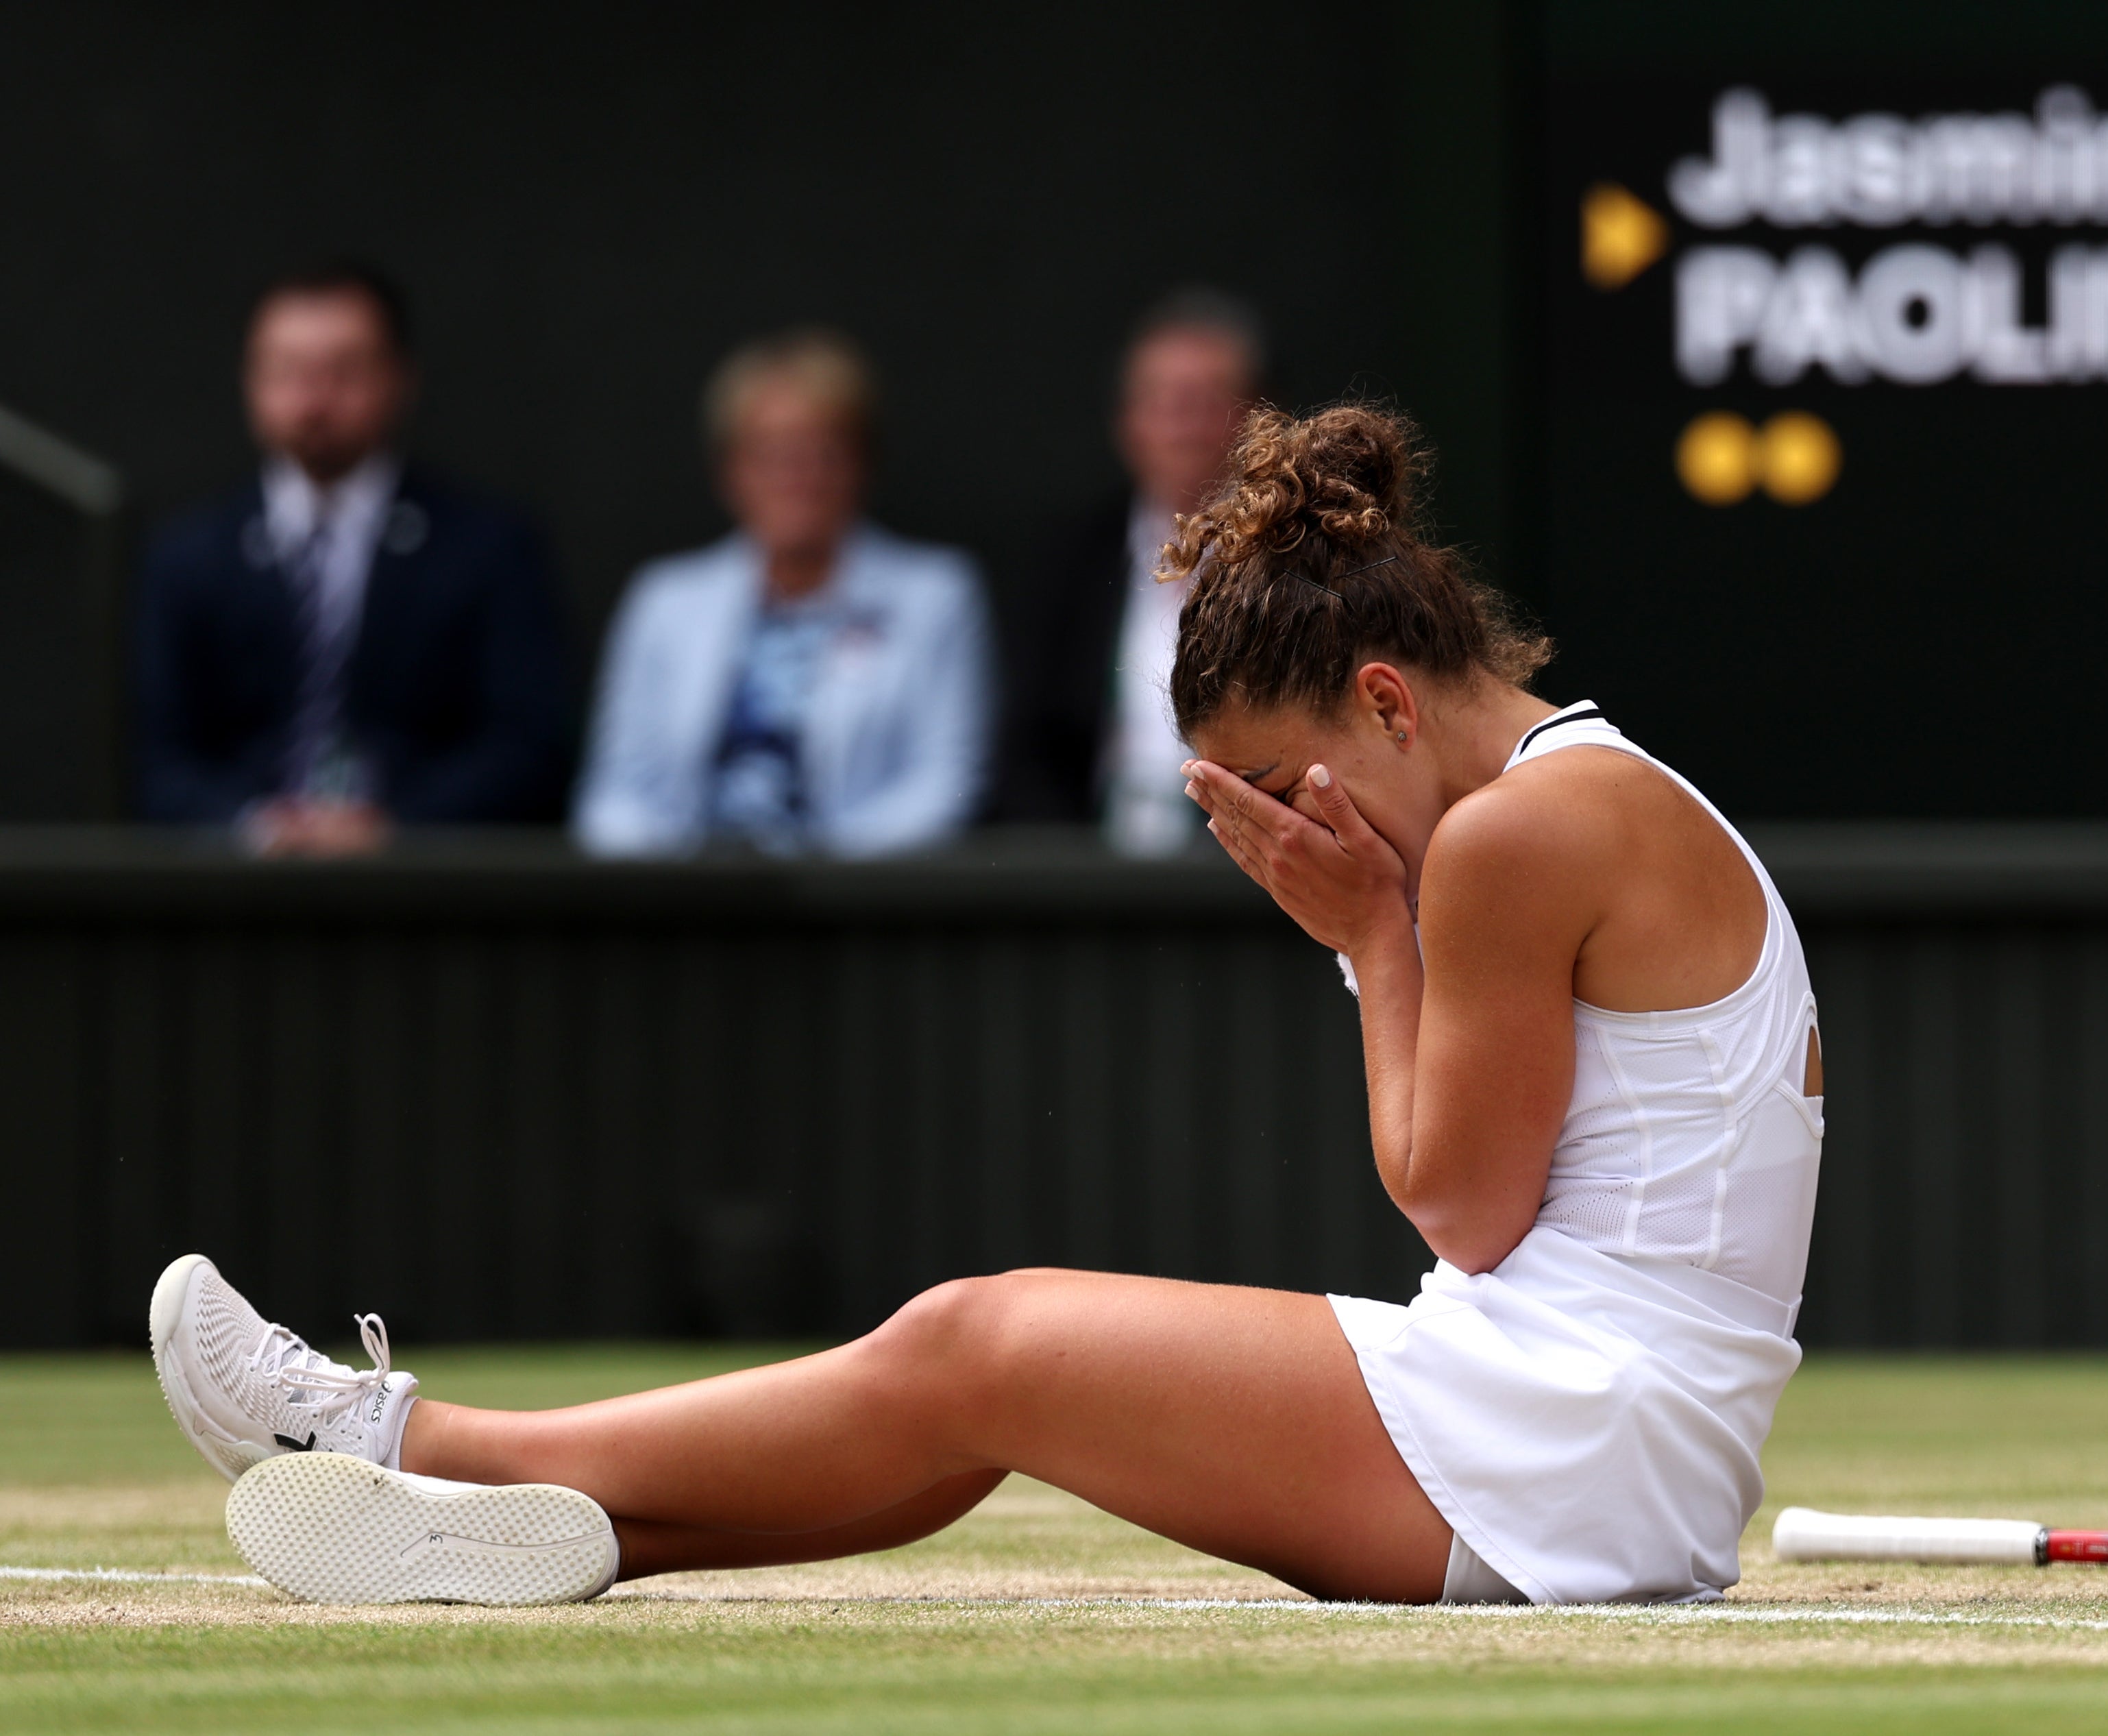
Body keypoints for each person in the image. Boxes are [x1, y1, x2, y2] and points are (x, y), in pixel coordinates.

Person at [146, 404, 1826, 1609]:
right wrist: (1379, 924)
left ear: (1382, 699)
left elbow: (1463, 1206)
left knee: (982, 1336)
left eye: (1266, 783)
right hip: (1601, 1448)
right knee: (968, 1398)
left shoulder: (1520, 834)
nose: (1269, 830)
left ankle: (406, 1431)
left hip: (1573, 1455)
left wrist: (1369, 936)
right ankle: (555, 1521)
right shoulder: (1581, 795)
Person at [132, 262, 570, 851]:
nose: (314, 398)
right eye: (288, 371)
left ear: (399, 378)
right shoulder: (189, 556)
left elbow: (529, 747)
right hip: (234, 897)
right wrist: (254, 827)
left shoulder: (487, 547)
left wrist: (394, 829)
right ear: (250, 381)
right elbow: (156, 760)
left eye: (343, 370)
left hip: (430, 894)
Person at [574, 329, 990, 857]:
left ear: (863, 463)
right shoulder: (666, 601)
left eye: (822, 451)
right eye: (771, 454)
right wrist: (675, 881)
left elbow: (945, 787)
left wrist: (807, 874)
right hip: (684, 911)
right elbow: (616, 792)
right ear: (729, 472)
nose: (797, 477)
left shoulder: (936, 597)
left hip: (856, 907)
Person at [991, 289, 1260, 853]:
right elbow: (1027, 751)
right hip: (1093, 888)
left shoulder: (1303, 562)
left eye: (1208, 401)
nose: (1185, 425)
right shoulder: (1071, 563)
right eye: (1165, 402)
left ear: (1260, 420)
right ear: (1127, 423)